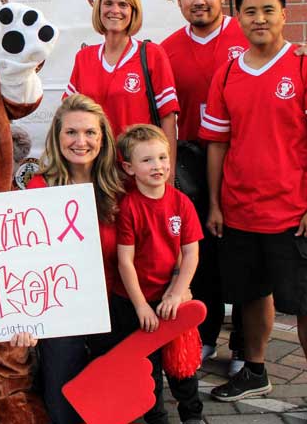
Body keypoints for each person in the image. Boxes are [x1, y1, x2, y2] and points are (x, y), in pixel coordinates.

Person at [162, 0, 307, 375]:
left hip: (269, 175)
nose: (199, 0)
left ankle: (249, 351)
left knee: (277, 287)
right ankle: (207, 339)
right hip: (199, 162)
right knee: (207, 255)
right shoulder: (167, 48)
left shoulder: (262, 39)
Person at [200, 0, 307, 424]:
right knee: (250, 297)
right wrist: (215, 204)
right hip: (242, 212)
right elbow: (217, 145)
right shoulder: (227, 73)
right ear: (238, 18)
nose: (259, 19)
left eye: (268, 10)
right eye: (250, 11)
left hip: (295, 215)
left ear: (284, 14)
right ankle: (255, 370)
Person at [10, 94, 124, 424]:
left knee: (109, 410)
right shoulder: (39, 187)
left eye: (90, 132)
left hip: (113, 311)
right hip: (62, 316)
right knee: (63, 413)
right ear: (57, 137)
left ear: (103, 138)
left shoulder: (120, 188)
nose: (80, 141)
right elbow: (26, 262)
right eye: (71, 132)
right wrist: (25, 318)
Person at [115, 124, 204, 424]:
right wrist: (140, 305)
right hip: (138, 303)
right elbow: (124, 261)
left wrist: (178, 291)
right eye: (147, 160)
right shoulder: (129, 207)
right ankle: (157, 419)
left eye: (163, 158)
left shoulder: (181, 202)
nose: (158, 166)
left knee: (183, 366)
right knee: (148, 370)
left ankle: (192, 415)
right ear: (129, 167)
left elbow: (191, 252)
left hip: (172, 298)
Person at [64, 0, 179, 165]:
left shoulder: (152, 54)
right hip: (94, 169)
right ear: (99, 9)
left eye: (123, 5)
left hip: (139, 171)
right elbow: (68, 116)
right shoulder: (84, 57)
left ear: (133, 11)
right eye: (108, 3)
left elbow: (168, 118)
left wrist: (168, 172)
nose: (115, 10)